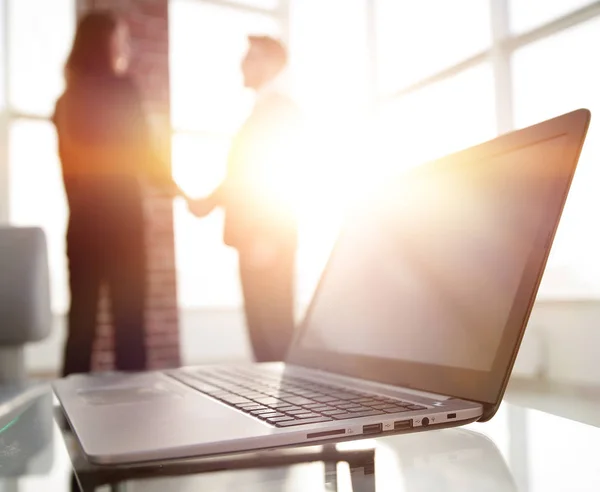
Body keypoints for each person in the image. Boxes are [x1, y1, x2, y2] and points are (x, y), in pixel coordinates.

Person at [53, 11, 190, 377]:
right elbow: (145, 153)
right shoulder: (123, 90)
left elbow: (68, 174)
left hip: (82, 224)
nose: (125, 46)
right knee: (130, 322)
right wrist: (182, 192)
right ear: (107, 43)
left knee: (80, 323)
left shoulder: (65, 101)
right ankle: (134, 416)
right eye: (121, 38)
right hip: (123, 223)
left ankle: (67, 413)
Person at [189, 36, 302, 362]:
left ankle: (293, 410)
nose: (242, 63)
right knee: (263, 336)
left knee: (274, 334)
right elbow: (243, 176)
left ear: (269, 63)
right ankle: (278, 410)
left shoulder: (280, 111)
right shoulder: (265, 111)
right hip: (256, 239)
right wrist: (209, 202)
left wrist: (267, 236)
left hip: (266, 240)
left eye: (250, 57)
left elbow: (276, 175)